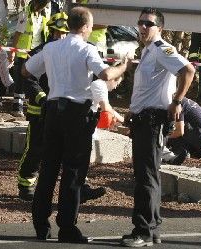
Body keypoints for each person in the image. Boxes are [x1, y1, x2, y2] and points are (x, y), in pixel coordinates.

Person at [22, 6, 128, 243]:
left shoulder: (51, 47)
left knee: (48, 169)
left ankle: (40, 225)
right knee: (72, 172)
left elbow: (26, 70)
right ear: (86, 27)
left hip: (52, 111)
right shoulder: (87, 49)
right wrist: (123, 66)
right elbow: (105, 76)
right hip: (77, 114)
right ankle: (67, 227)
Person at [120, 8, 194, 247]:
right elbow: (148, 89)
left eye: (148, 24)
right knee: (146, 174)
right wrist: (133, 108)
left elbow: (188, 70)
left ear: (159, 28)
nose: (143, 27)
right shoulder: (148, 51)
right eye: (140, 22)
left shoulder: (162, 49)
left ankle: (143, 231)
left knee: (147, 176)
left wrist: (177, 101)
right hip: (143, 118)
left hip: (153, 121)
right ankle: (152, 229)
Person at [17, 12, 107, 204]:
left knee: (75, 153)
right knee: (36, 149)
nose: (60, 36)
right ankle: (26, 186)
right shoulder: (44, 50)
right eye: (56, 32)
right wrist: (42, 98)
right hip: (40, 109)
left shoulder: (82, 49)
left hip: (70, 111)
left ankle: (79, 188)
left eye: (64, 32)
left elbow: (93, 78)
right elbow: (27, 75)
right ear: (51, 32)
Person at [9, 0, 51, 117]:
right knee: (21, 80)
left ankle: (32, 103)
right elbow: (17, 34)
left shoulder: (43, 15)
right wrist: (13, 51)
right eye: (43, 5)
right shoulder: (25, 14)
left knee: (34, 79)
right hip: (24, 52)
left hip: (37, 52)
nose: (44, 8)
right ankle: (17, 107)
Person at [166, 97, 201, 161]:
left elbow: (179, 132)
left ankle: (182, 150)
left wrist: (163, 138)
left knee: (171, 132)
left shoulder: (177, 104)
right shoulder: (185, 101)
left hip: (200, 137)